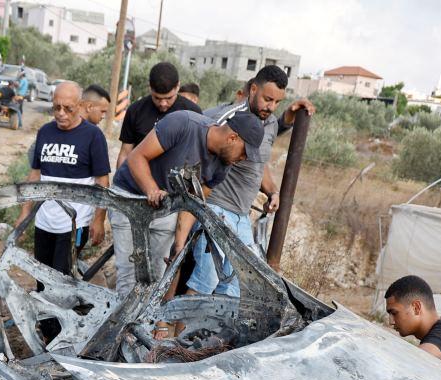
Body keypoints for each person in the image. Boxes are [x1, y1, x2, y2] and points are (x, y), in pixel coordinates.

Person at [187, 66, 316, 298]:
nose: (271, 107)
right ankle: (175, 331)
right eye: (268, 99)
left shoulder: (271, 124)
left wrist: (272, 192)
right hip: (216, 208)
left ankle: (212, 334)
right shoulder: (230, 118)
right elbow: (199, 141)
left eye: (277, 102)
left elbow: (259, 163)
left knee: (239, 282)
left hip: (242, 216)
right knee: (206, 279)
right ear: (253, 89)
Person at [109, 107, 263, 298]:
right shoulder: (183, 123)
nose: (241, 160)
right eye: (243, 154)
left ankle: (140, 324)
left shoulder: (222, 166)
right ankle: (122, 326)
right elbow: (136, 157)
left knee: (155, 278)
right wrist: (152, 189)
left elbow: (192, 203)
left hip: (165, 210)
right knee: (129, 276)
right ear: (232, 138)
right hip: (129, 199)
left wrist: (179, 245)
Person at [16, 81, 110, 275]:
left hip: (74, 224)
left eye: (68, 108)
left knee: (61, 278)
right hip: (44, 220)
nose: (61, 113)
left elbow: (102, 181)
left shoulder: (93, 136)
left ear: (80, 105)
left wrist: (99, 219)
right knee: (41, 277)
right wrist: (25, 212)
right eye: (56, 107)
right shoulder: (45, 132)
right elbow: (35, 175)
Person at [116, 62, 202, 170]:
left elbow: (198, 157)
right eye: (157, 98)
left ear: (178, 86)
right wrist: (118, 184)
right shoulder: (135, 111)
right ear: (150, 88)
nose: (163, 103)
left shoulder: (193, 113)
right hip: (137, 180)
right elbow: (125, 152)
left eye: (169, 98)